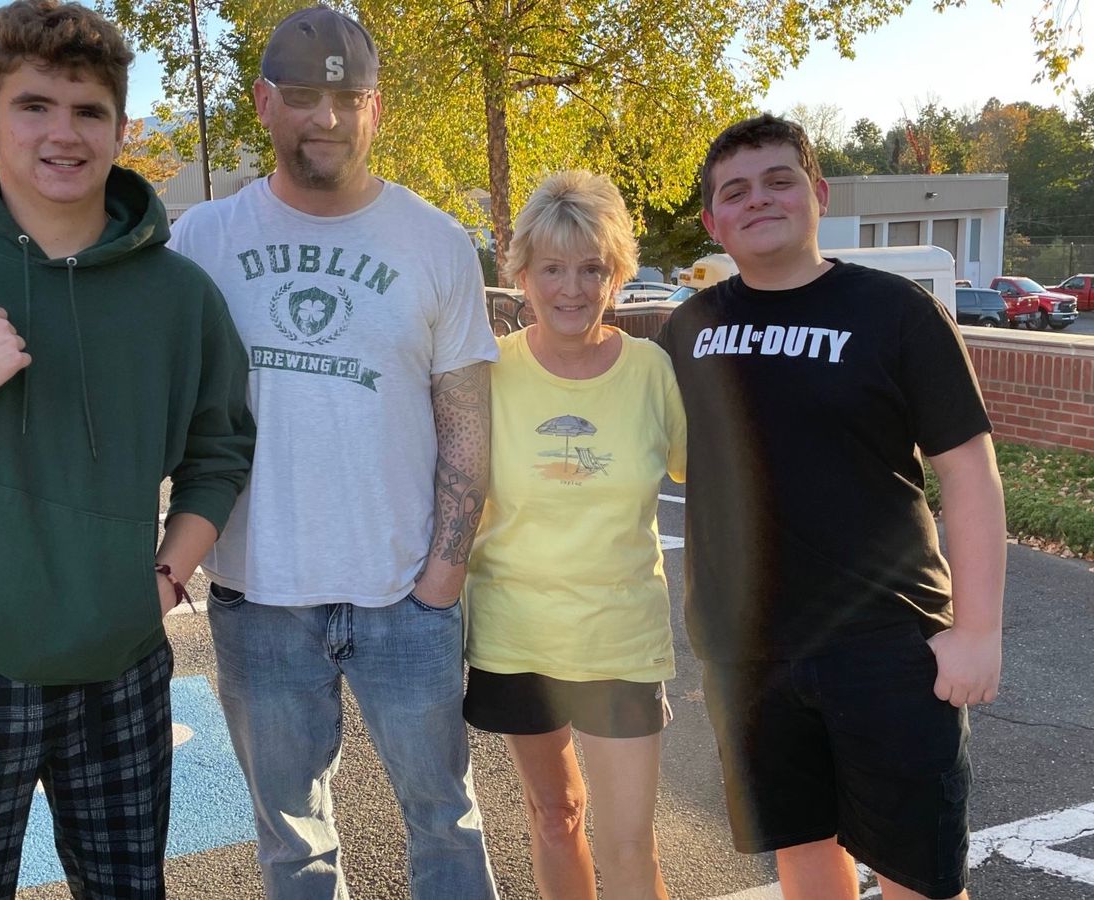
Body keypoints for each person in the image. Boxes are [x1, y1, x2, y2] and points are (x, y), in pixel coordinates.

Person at [0, 0, 255, 896]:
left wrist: (166, 577)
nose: (64, 133)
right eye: (34, 106)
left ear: (121, 129)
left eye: (89, 110)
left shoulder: (181, 296)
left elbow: (218, 449)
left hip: (120, 664)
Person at [164, 7, 500, 899]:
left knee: (447, 824)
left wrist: (442, 579)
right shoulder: (202, 240)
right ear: (264, 103)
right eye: (306, 96)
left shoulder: (436, 242)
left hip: (404, 596)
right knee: (292, 845)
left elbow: (467, 419)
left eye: (349, 99)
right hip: (258, 596)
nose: (328, 117)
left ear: (375, 108)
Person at [656, 114, 1006, 900]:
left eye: (778, 180)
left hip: (886, 643)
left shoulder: (895, 311)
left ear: (818, 194)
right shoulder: (689, 328)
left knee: (920, 876)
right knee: (802, 853)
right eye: (735, 191)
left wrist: (978, 631)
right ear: (713, 222)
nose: (758, 199)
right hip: (745, 649)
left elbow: (970, 472)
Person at [463, 170, 686, 900]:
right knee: (554, 815)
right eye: (552, 268)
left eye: (592, 268)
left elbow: (714, 480)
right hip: (516, 636)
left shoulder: (651, 372)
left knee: (629, 844)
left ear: (617, 274)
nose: (572, 288)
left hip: (620, 639)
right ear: (521, 274)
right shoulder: (489, 371)